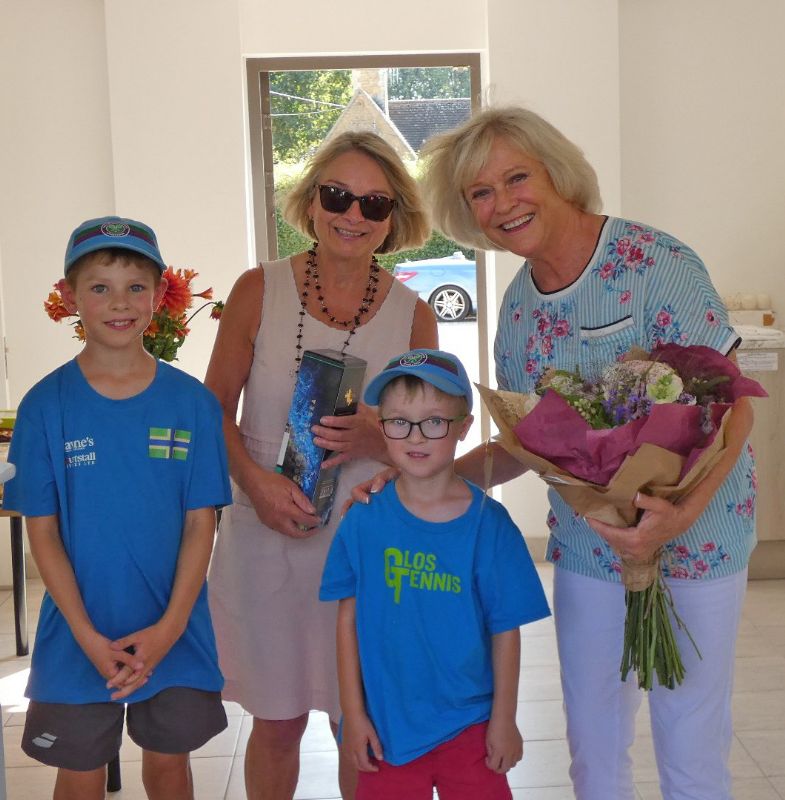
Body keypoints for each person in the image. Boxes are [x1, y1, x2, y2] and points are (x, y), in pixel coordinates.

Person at [355, 107, 755, 800]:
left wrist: (679, 514)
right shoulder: (517, 314)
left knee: (690, 746)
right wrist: (419, 483)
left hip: (699, 539)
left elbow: (734, 410)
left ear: (557, 175)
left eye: (516, 177)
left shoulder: (655, 263)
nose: (502, 203)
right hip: (591, 546)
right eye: (481, 193)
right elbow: (525, 447)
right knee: (593, 752)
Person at [205, 131, 438, 800]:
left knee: (356, 724)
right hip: (265, 533)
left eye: (373, 204)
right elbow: (213, 409)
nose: (352, 216)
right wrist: (255, 482)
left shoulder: (413, 317)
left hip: (362, 548)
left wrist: (382, 438)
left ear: (393, 219)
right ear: (310, 202)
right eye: (337, 196)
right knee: (276, 724)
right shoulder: (257, 291)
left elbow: (436, 438)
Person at [3, 216, 231, 800]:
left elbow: (199, 522)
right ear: (70, 296)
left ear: (159, 296)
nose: (119, 303)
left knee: (169, 767)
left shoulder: (192, 405)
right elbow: (43, 532)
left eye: (135, 287)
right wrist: (84, 633)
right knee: (78, 774)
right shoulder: (45, 406)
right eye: (99, 287)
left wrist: (170, 628)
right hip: (77, 635)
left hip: (173, 634)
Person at [320, 349, 550, 800]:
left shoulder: (491, 526)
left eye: (434, 421)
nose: (415, 436)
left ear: (463, 427)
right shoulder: (363, 520)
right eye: (399, 421)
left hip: (471, 726)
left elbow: (506, 631)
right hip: (387, 728)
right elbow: (347, 622)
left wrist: (505, 719)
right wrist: (352, 713)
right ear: (382, 426)